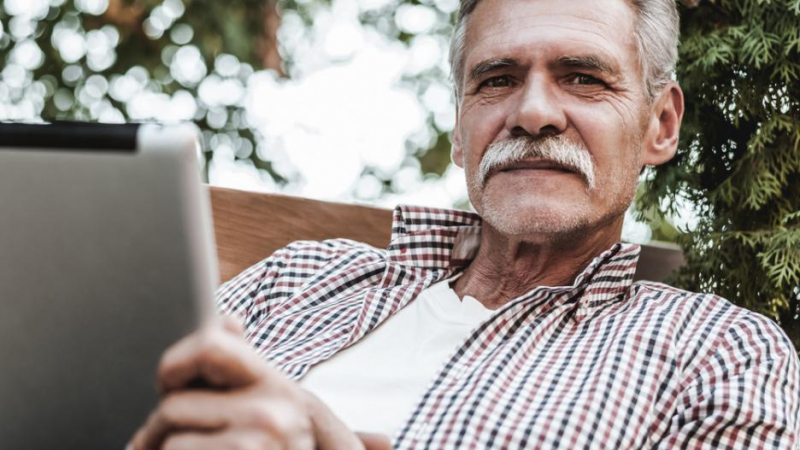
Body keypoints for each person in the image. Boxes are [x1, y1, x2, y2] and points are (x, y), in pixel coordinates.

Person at [128, 0, 800, 448]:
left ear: (661, 124)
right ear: (459, 129)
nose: (533, 112)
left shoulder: (718, 354)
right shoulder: (300, 279)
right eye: (497, 79)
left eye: (583, 78)